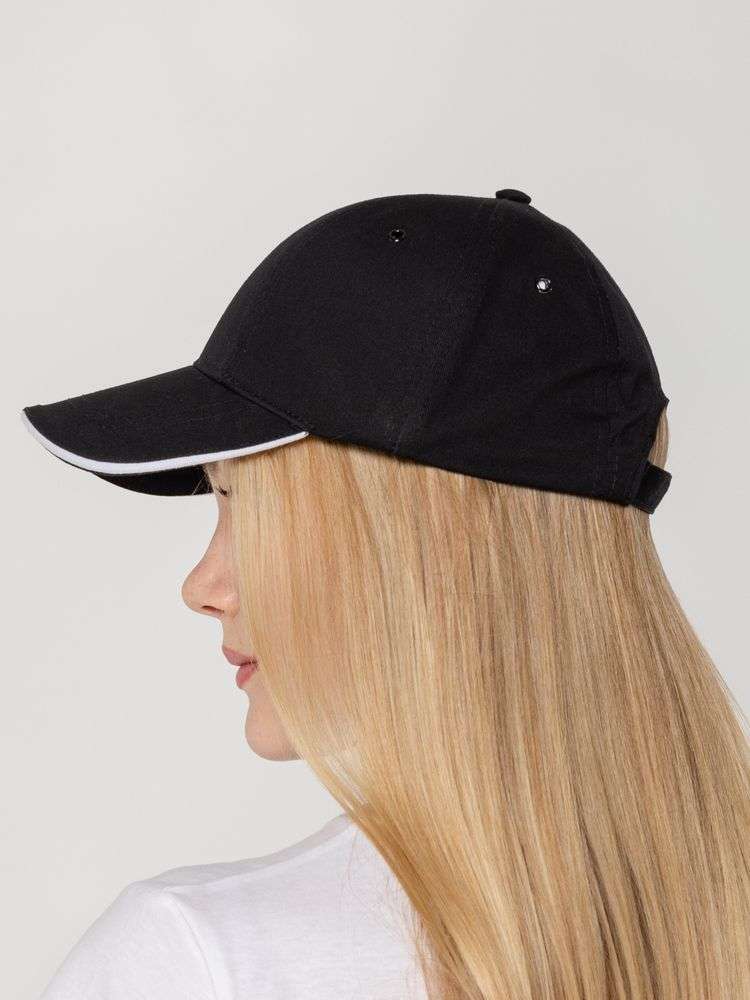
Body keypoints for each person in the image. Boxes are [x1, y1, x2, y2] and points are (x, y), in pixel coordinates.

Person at [22, 189, 750, 999]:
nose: (203, 588)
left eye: (244, 503)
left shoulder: (202, 961)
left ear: (425, 544)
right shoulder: (720, 923)